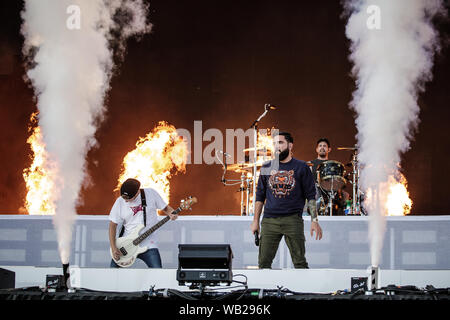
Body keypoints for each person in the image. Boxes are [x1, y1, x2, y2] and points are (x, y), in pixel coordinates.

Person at [250, 132, 323, 269]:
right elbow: (260, 196)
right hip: (269, 220)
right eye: (275, 143)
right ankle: (264, 290)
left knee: (300, 262)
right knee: (263, 263)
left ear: (290, 145)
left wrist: (314, 220)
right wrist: (255, 221)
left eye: (280, 143)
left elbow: (311, 196)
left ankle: (303, 290)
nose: (277, 146)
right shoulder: (266, 167)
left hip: (292, 220)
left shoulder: (301, 167)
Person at [108, 178, 178, 268]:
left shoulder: (151, 194)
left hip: (149, 244)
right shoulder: (120, 202)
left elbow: (166, 208)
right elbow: (112, 226)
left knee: (157, 272)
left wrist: (172, 213)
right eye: (123, 197)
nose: (125, 200)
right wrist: (114, 248)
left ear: (137, 192)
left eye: (129, 198)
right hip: (126, 245)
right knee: (112, 272)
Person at [309, 138, 349, 215]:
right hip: (316, 190)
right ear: (317, 149)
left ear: (329, 149)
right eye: (320, 146)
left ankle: (343, 215)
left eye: (325, 146)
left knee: (345, 195)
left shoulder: (333, 165)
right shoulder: (310, 164)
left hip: (331, 189)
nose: (322, 148)